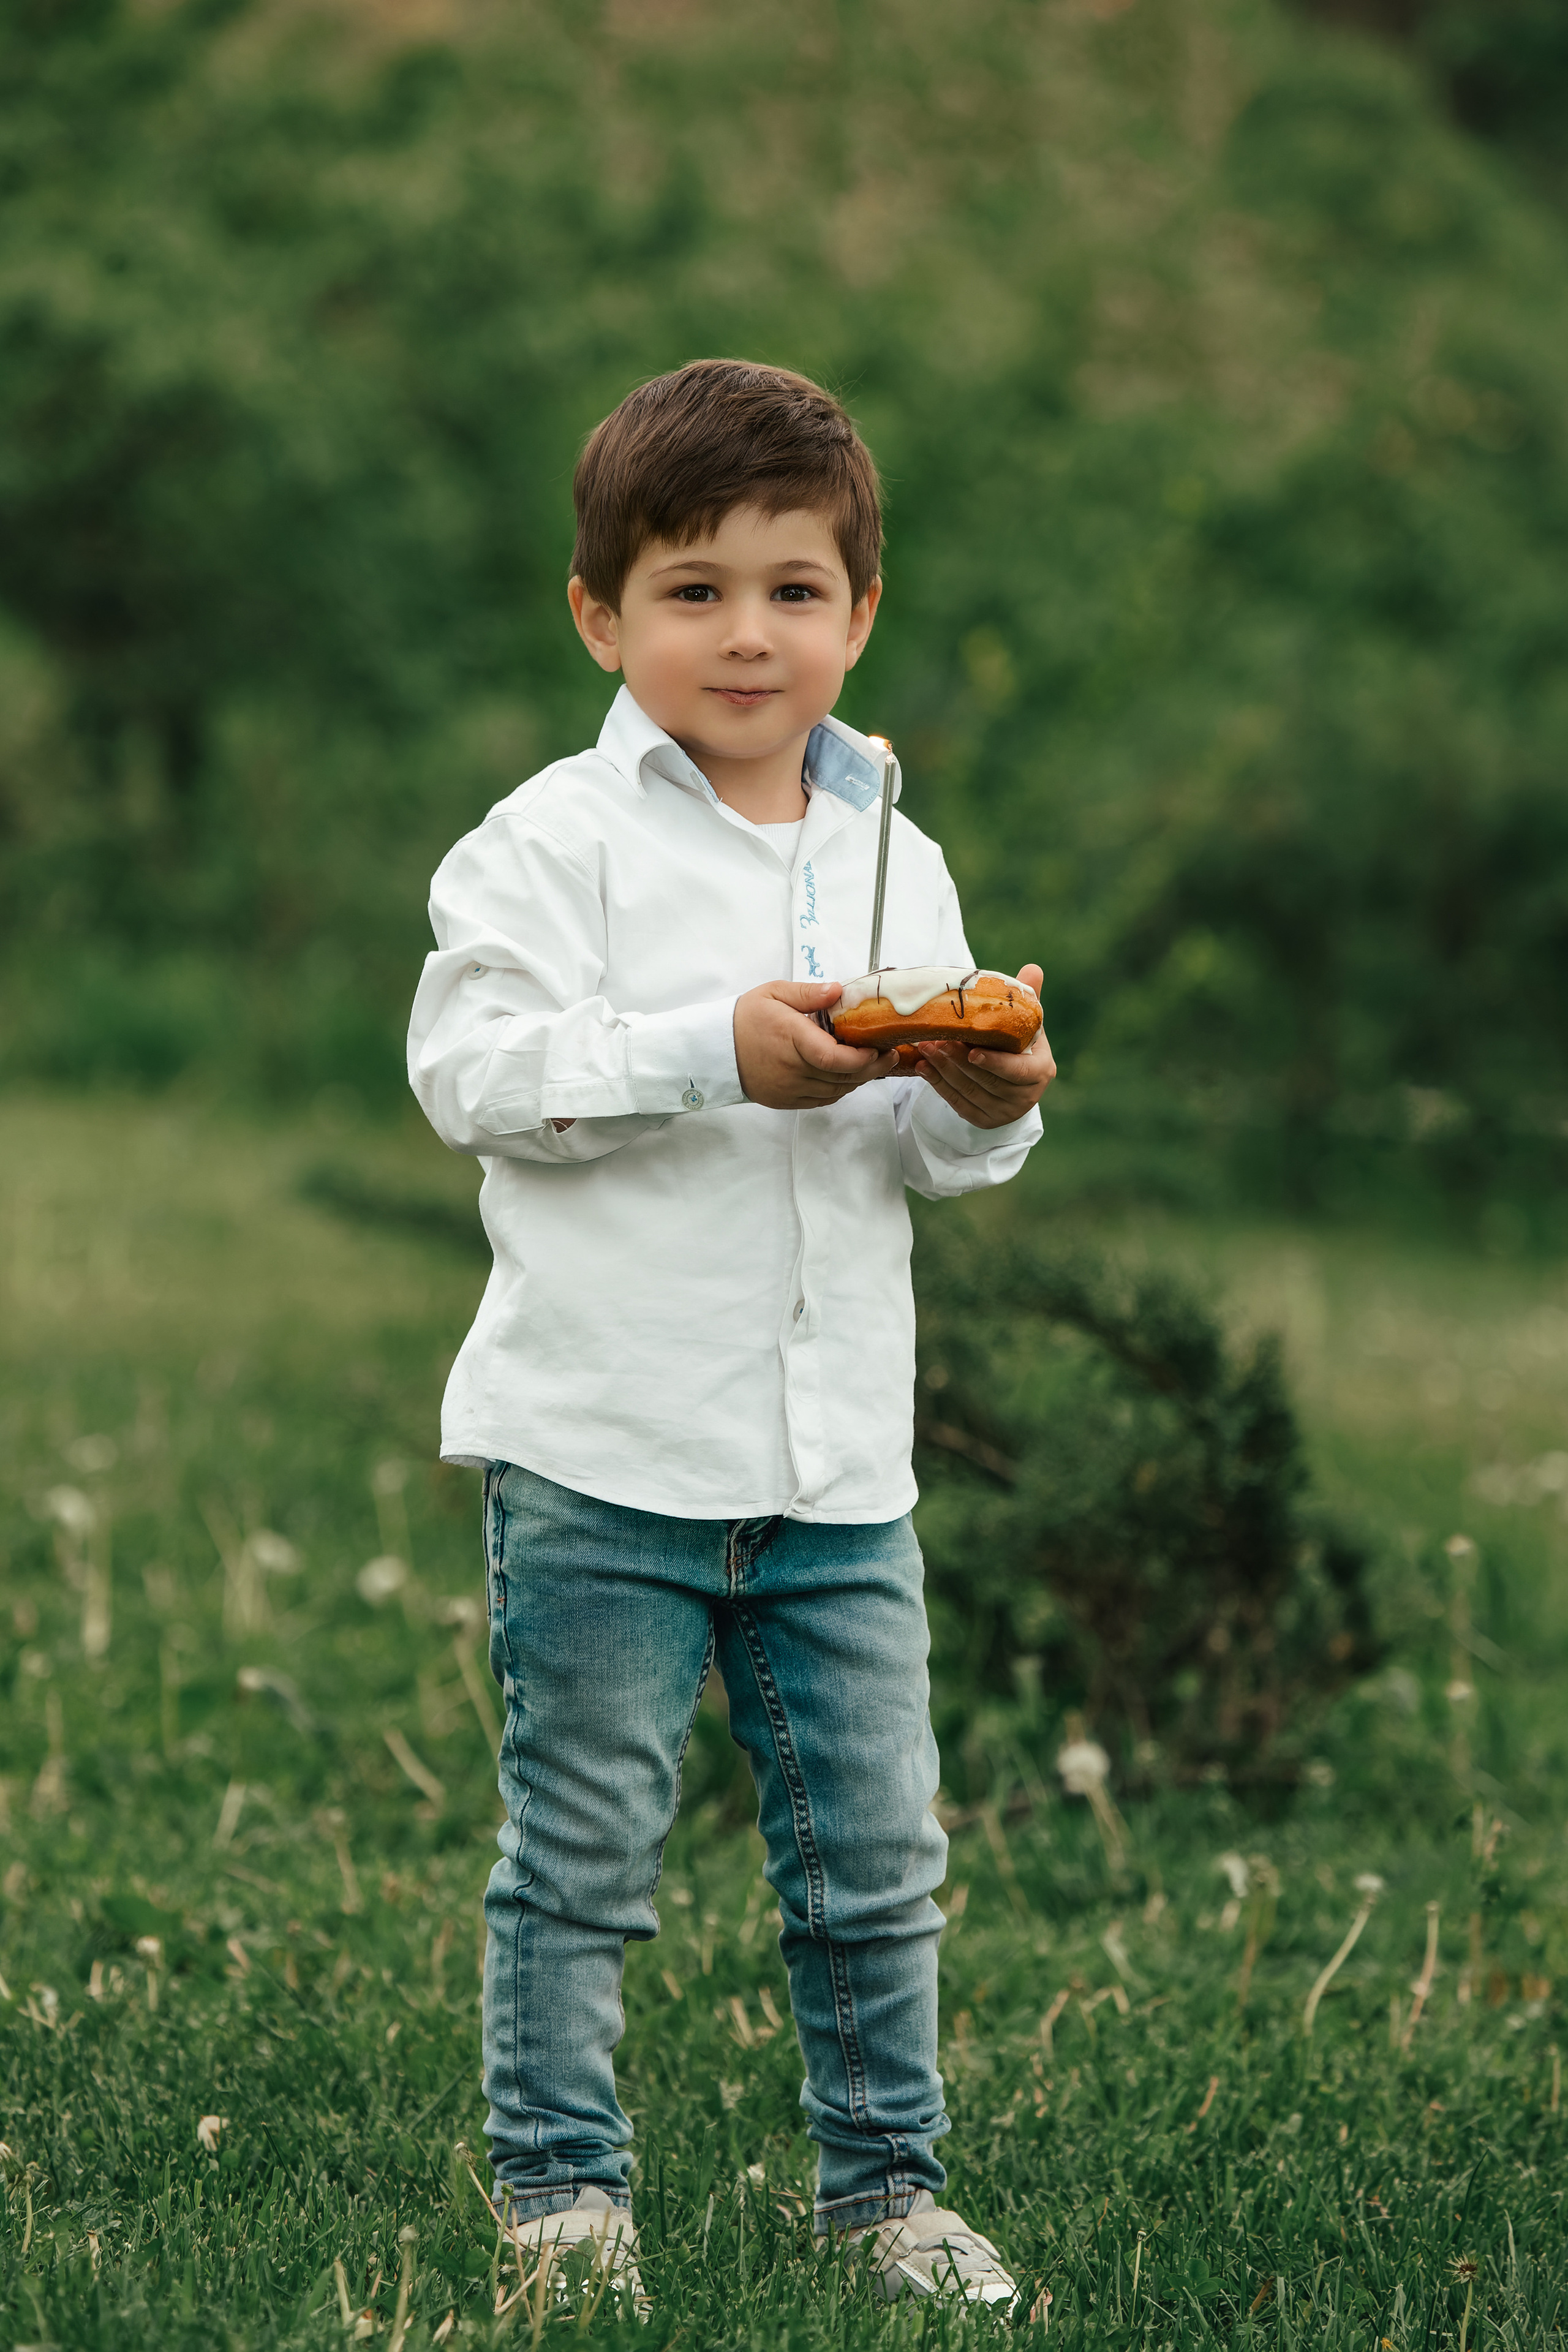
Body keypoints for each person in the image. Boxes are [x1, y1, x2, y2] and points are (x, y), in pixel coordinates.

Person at [407, 358, 1055, 2313]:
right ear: (600, 615)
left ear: (861, 614)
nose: (748, 632)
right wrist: (712, 1054)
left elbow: (930, 1160)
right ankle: (562, 2192)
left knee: (876, 1860)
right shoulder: (548, 843)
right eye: (693, 589)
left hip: (840, 1461)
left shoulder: (890, 853)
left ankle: (882, 2192)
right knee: (586, 1853)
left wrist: (990, 1088)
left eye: (794, 589)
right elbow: (474, 1072)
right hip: (606, 1446)